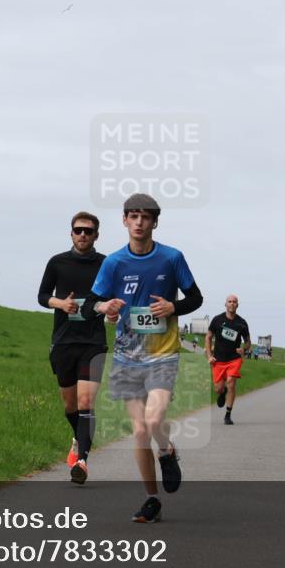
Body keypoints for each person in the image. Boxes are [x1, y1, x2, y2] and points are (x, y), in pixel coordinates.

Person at [82, 194, 203, 523]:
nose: (138, 222)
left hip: (162, 354)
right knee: (138, 431)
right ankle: (152, 500)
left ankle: (166, 450)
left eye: (145, 217)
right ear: (124, 221)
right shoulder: (114, 263)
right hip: (126, 357)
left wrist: (173, 307)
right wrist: (103, 307)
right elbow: (87, 304)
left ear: (154, 222)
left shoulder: (171, 258)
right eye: (132, 216)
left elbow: (195, 298)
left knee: (153, 421)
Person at [37, 212, 107, 485]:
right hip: (64, 341)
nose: (82, 235)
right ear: (71, 233)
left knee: (86, 402)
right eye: (78, 230)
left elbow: (114, 294)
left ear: (96, 236)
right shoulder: (57, 263)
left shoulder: (106, 264)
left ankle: (82, 462)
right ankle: (78, 437)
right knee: (69, 404)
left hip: (93, 341)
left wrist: (110, 308)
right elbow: (43, 296)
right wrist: (61, 305)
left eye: (88, 231)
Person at [205, 294, 251, 425]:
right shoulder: (217, 320)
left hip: (234, 359)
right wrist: (209, 356)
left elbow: (248, 342)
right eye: (229, 301)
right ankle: (222, 391)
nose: (232, 303)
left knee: (231, 382)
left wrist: (244, 349)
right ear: (225, 304)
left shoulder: (241, 323)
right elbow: (208, 337)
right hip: (218, 360)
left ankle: (228, 414)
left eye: (234, 302)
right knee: (218, 389)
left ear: (237, 305)